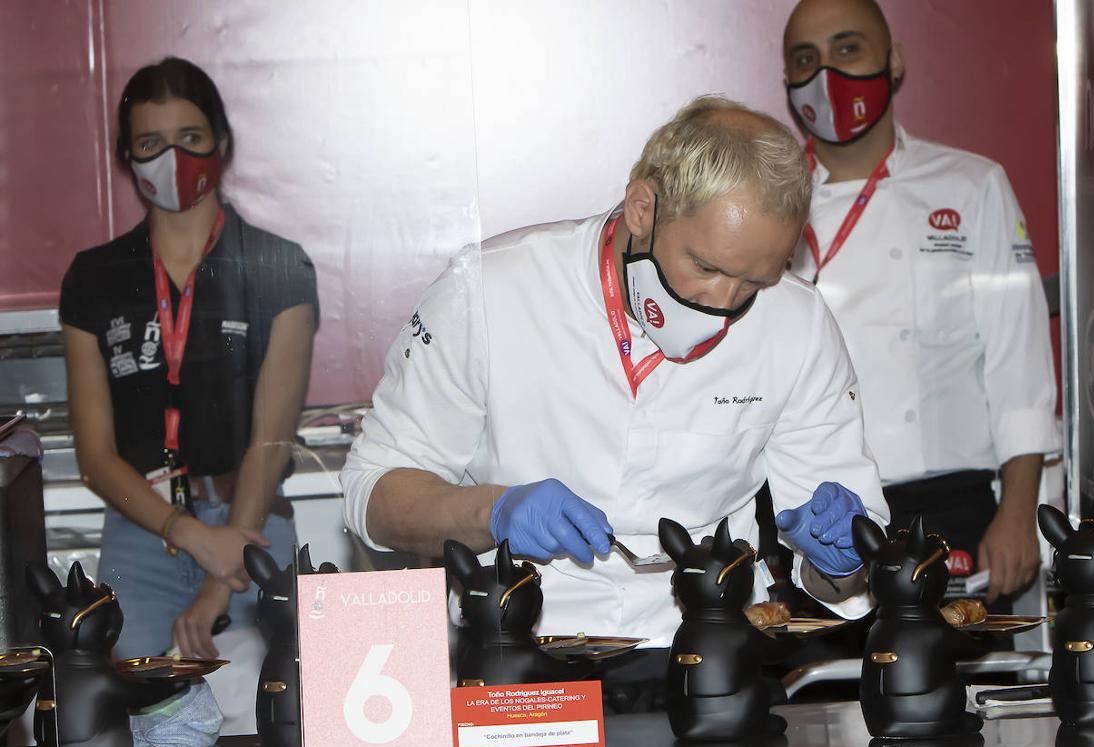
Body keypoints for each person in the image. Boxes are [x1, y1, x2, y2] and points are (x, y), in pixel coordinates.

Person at [342, 95, 889, 705]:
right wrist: (494, 512)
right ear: (642, 207)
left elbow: (845, 575)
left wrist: (843, 562)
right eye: (705, 266)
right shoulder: (492, 291)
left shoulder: (799, 323)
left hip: (711, 661)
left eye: (754, 282)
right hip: (514, 657)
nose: (725, 302)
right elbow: (373, 494)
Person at [781, 0, 1059, 604]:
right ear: (787, 80)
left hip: (948, 506)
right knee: (812, 695)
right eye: (806, 59)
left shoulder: (972, 185)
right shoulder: (767, 205)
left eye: (848, 48)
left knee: (956, 696)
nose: (826, 74)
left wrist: (1018, 512)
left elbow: (1019, 362)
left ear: (894, 61)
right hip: (807, 508)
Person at [59, 57, 318, 663]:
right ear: (127, 156)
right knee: (142, 728)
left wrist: (217, 581)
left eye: (190, 139)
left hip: (253, 528)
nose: (172, 158)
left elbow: (269, 443)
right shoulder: (93, 279)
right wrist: (191, 536)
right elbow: (95, 458)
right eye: (151, 143)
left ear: (221, 144)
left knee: (281, 721)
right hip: (143, 533)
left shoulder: (280, 267)